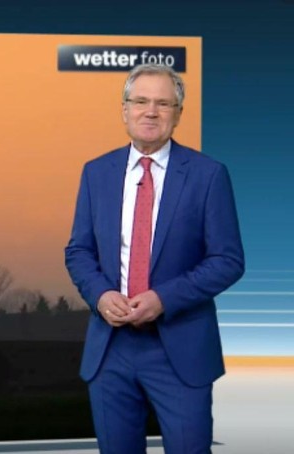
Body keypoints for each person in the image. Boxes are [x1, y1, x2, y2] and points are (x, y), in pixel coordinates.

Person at [64, 64, 245, 454]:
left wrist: (164, 299)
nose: (151, 111)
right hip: (110, 349)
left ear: (178, 114)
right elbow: (78, 250)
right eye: (141, 101)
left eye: (164, 103)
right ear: (124, 109)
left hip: (179, 348)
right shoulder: (96, 173)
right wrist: (99, 295)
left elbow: (228, 259)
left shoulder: (208, 175)